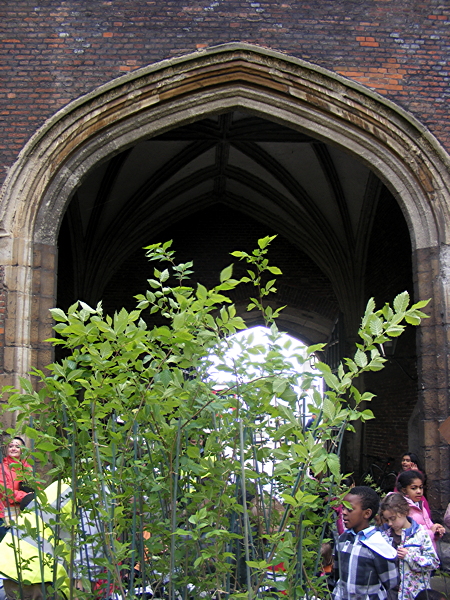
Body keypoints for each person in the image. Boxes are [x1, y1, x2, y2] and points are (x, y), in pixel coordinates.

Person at [332, 486, 399, 600]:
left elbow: (391, 582)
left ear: (367, 513)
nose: (343, 512)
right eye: (343, 508)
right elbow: (337, 574)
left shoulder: (378, 544)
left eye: (350, 509)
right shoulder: (343, 540)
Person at [380, 492, 439, 600]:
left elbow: (434, 563)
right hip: (390, 593)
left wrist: (410, 556)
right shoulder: (384, 535)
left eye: (393, 519)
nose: (389, 523)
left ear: (405, 512)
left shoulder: (420, 534)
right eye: (387, 519)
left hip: (416, 594)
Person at [397, 470, 445, 551]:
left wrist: (437, 529)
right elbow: (409, 537)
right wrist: (431, 532)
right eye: (413, 488)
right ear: (404, 490)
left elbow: (429, 525)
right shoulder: (402, 509)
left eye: (421, 487)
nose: (419, 491)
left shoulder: (420, 505)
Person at [0, 437, 33, 541]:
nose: (14, 448)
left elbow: (35, 486)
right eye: (11, 446)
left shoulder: (27, 468)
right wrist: (26, 496)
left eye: (17, 446)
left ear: (22, 450)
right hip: (4, 512)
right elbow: (5, 492)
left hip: (23, 511)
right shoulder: (2, 467)